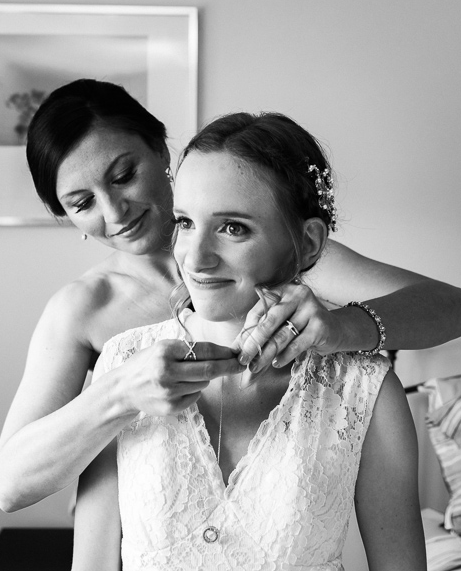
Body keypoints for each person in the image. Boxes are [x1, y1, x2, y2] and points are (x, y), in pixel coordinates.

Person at [0, 79, 461, 513]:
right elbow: (11, 487)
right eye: (82, 203)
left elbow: (458, 308)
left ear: (163, 154)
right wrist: (118, 392)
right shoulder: (83, 310)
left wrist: (341, 326)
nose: (114, 210)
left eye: (123, 175)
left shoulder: (282, 254)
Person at [72, 112, 426, 570]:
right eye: (184, 222)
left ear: (309, 242)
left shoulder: (365, 389)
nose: (195, 258)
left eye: (232, 227)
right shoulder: (124, 361)